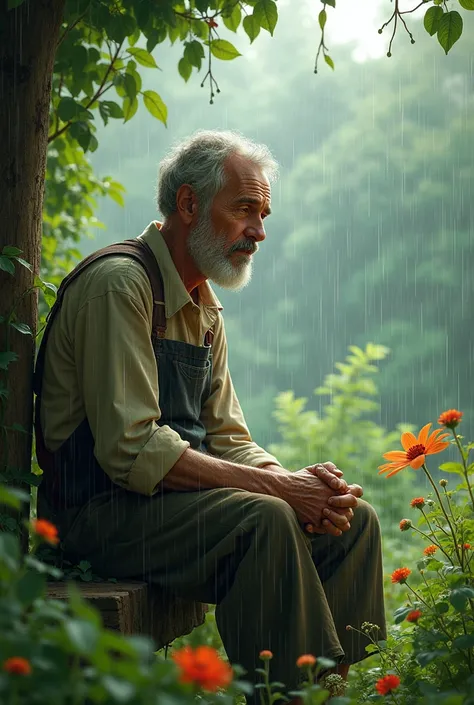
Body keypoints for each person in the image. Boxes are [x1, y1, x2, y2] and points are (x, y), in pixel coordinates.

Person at [35, 130, 386, 700]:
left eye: (264, 213)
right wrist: (279, 493)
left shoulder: (204, 306)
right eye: (244, 209)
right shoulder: (118, 285)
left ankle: (332, 692)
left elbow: (229, 437)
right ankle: (281, 695)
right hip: (94, 515)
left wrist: (307, 488)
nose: (259, 231)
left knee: (354, 522)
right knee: (266, 521)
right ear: (189, 204)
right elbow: (132, 450)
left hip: (166, 512)